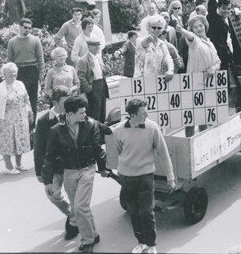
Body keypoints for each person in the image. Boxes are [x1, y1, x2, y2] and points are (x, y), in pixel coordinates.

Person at [42, 96, 109, 252]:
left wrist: (103, 167)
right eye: (80, 113)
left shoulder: (90, 125)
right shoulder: (56, 131)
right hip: (69, 171)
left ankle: (88, 241)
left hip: (87, 168)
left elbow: (97, 148)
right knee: (79, 206)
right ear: (69, 114)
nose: (84, 116)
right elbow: (49, 156)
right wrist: (47, 181)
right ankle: (94, 233)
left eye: (84, 112)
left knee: (79, 206)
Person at [112, 98, 175, 254]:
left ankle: (151, 244)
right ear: (132, 115)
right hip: (127, 178)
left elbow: (163, 153)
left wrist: (170, 178)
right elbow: (118, 151)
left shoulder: (152, 128)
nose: (147, 114)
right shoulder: (118, 130)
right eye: (143, 112)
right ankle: (141, 242)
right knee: (133, 211)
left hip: (145, 177)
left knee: (146, 212)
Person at [34, 86, 76, 239]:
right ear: (55, 102)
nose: (68, 105)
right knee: (53, 195)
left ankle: (74, 224)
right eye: (65, 102)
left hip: (72, 165)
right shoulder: (44, 121)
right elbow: (39, 148)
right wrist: (40, 172)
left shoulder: (73, 115)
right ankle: (72, 214)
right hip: (55, 167)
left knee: (75, 197)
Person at [0, 62, 32, 174]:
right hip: (7, 119)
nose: (13, 74)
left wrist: (30, 111)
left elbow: (27, 99)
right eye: (10, 72)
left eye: (14, 72)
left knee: (20, 140)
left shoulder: (20, 84)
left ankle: (18, 164)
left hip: (21, 117)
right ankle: (9, 167)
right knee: (7, 143)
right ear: (4, 74)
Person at [6, 18, 44, 121]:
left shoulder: (35, 40)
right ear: (20, 27)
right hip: (19, 72)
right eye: (25, 27)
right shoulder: (12, 42)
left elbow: (40, 58)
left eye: (29, 28)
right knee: (19, 99)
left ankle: (32, 127)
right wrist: (9, 75)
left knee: (32, 99)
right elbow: (9, 61)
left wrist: (41, 73)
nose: (27, 30)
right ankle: (21, 124)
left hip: (32, 71)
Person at [76, 37, 109, 124]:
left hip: (101, 85)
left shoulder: (98, 57)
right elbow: (81, 77)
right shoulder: (83, 60)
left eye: (98, 45)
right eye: (94, 45)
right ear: (88, 47)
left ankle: (101, 130)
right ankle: (94, 132)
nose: (97, 47)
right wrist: (88, 89)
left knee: (102, 110)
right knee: (94, 112)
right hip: (93, 86)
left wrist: (106, 69)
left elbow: (101, 71)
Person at [134, 14, 174, 80]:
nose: (156, 30)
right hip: (141, 80)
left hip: (157, 80)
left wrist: (170, 70)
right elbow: (144, 43)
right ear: (148, 27)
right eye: (154, 27)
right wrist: (148, 39)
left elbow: (168, 58)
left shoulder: (162, 44)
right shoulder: (139, 40)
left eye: (159, 28)